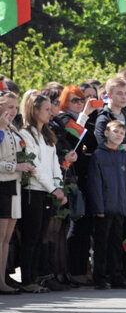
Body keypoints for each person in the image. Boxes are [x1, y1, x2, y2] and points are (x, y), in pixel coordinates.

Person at [18, 91, 68, 293]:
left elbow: (54, 163)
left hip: (48, 191)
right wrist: (53, 187)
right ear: (34, 110)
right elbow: (34, 164)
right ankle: (27, 279)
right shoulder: (25, 133)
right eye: (46, 109)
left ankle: (38, 276)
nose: (50, 113)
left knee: (41, 235)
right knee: (31, 236)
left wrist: (59, 186)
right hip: (33, 191)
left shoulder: (47, 134)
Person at [85, 120, 126, 290]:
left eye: (122, 133)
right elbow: (95, 183)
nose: (119, 135)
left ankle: (116, 275)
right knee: (101, 244)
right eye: (115, 131)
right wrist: (98, 207)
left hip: (120, 208)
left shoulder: (124, 157)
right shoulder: (98, 155)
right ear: (106, 133)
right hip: (104, 208)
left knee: (117, 243)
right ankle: (99, 277)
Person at [0, 91, 26, 294]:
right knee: (0, 238)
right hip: (3, 184)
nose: (12, 111)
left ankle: (3, 279)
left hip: (14, 185)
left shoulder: (12, 129)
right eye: (8, 106)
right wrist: (15, 166)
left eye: (15, 107)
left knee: (7, 238)